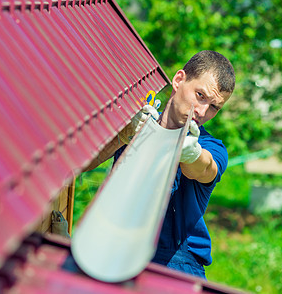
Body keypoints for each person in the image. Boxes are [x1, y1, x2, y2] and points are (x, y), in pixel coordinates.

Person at [85, 50, 235, 279]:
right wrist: (122, 136)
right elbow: (81, 163)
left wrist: (191, 153)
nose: (203, 111)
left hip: (178, 265)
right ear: (178, 80)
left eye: (214, 107)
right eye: (200, 96)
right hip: (118, 248)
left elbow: (205, 168)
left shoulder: (210, 146)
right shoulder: (135, 122)